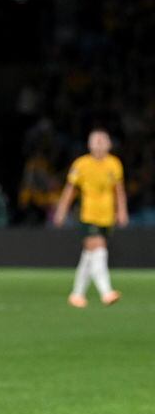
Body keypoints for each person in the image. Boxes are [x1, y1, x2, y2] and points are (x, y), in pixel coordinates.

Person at [52, 129, 128, 307]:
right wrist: (61, 211)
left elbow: (119, 191)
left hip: (107, 216)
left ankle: (77, 294)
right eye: (96, 140)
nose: (100, 143)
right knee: (99, 250)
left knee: (89, 255)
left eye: (103, 140)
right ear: (89, 144)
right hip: (88, 215)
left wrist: (122, 211)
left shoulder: (114, 164)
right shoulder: (81, 164)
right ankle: (106, 292)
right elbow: (70, 190)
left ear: (109, 144)